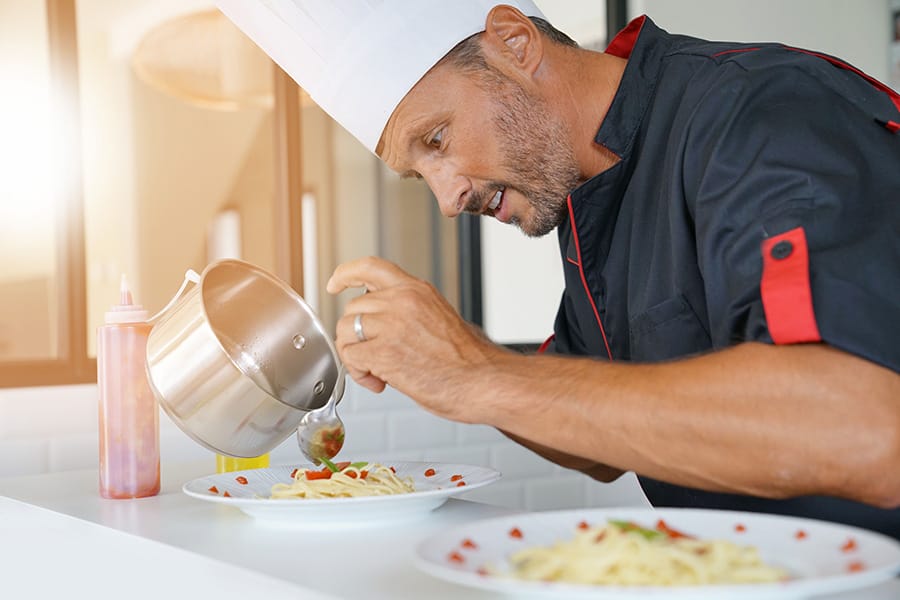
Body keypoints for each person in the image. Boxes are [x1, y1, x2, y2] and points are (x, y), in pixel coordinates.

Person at [217, 1, 900, 538]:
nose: (448, 198)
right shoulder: (587, 196)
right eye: (418, 171)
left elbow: (866, 431)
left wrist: (476, 374)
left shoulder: (760, 111)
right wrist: (447, 366)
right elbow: (599, 443)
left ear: (515, 44)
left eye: (438, 139)